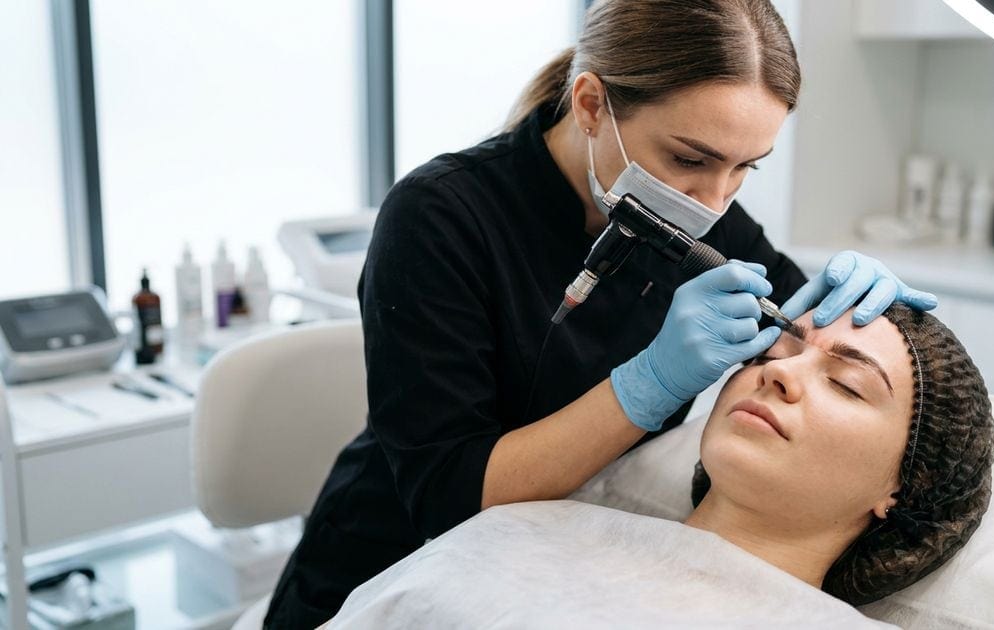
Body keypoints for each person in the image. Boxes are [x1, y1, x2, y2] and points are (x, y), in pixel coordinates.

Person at [265, 1, 937, 626]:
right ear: (590, 104)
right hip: (392, 568)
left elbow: (801, 319)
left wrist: (847, 304)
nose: (713, 200)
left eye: (746, 169)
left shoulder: (704, 217)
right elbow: (450, 497)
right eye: (689, 158)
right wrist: (648, 385)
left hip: (558, 569)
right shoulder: (441, 216)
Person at [318, 305, 994, 628]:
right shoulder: (527, 528)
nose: (782, 376)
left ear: (905, 487)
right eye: (769, 354)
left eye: (847, 385)